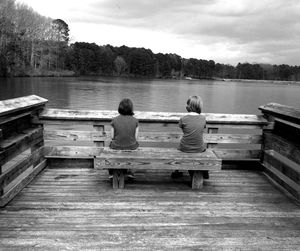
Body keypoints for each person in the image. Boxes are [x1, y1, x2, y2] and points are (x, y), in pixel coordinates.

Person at [171, 95, 208, 179]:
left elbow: (183, 130)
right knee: (203, 148)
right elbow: (202, 129)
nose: (185, 105)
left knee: (179, 148)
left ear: (189, 106)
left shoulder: (183, 119)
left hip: (185, 148)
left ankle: (177, 171)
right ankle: (204, 170)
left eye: (187, 104)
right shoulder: (203, 118)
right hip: (199, 148)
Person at [109, 98, 139, 179]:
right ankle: (130, 172)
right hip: (131, 146)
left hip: (116, 146)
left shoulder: (114, 120)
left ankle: (112, 172)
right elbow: (135, 138)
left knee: (111, 147)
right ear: (131, 108)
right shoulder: (136, 121)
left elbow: (112, 137)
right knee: (134, 146)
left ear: (120, 108)